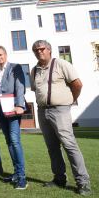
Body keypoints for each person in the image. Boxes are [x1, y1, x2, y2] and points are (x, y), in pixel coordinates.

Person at [30, 40, 91, 196]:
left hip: (60, 110)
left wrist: (70, 100)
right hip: (42, 111)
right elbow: (36, 90)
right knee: (52, 147)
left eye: (42, 49)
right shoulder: (34, 70)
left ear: (49, 50)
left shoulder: (62, 64)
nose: (39, 52)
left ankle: (83, 182)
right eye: (35, 50)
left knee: (69, 145)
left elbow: (77, 84)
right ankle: (59, 179)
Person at [0, 46, 27, 190]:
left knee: (14, 140)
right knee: (8, 141)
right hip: (0, 109)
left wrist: (20, 105)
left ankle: (22, 177)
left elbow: (19, 87)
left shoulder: (15, 68)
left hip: (12, 107)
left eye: (1, 55)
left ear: (5, 55)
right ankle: (16, 173)